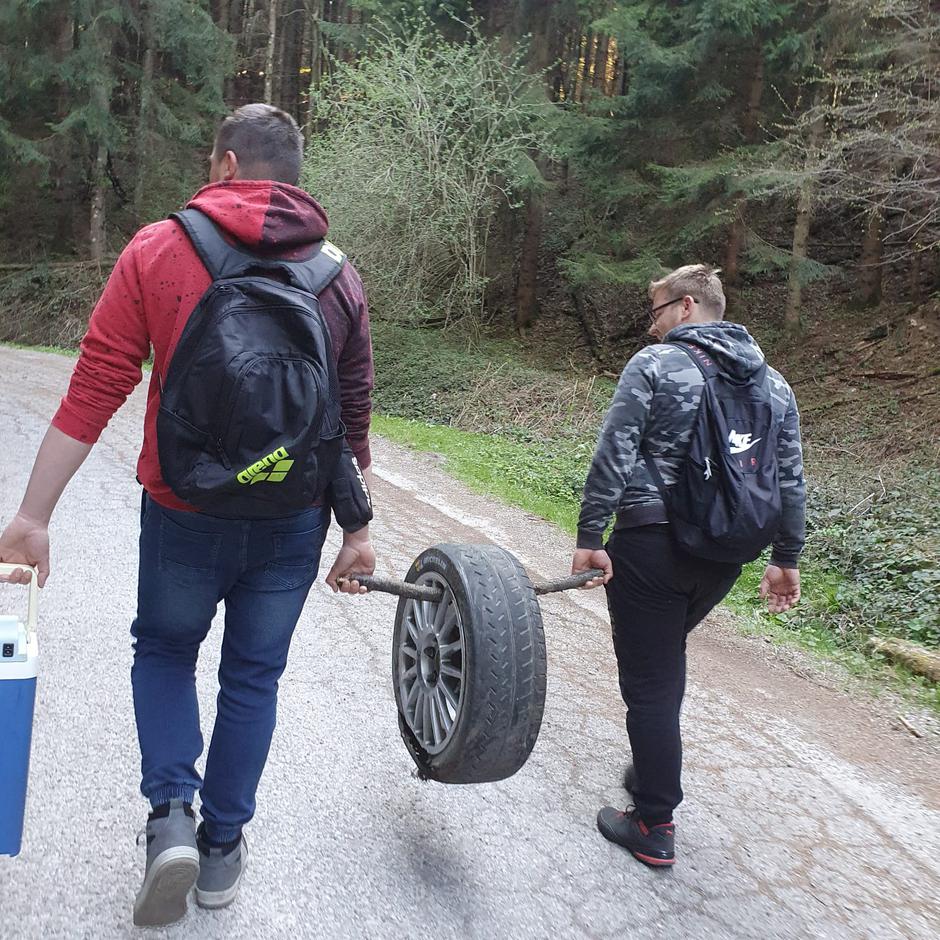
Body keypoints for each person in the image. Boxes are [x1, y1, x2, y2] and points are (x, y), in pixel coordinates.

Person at [0, 104, 376, 925]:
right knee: (253, 675)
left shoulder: (159, 247)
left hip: (183, 508)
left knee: (166, 650)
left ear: (227, 165)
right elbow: (350, 414)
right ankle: (222, 849)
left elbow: (98, 383)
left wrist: (33, 514)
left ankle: (171, 813)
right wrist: (358, 530)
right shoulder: (338, 275)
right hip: (291, 519)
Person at [571, 264, 804, 869]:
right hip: (727, 555)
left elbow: (615, 451)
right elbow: (789, 478)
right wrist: (785, 557)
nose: (651, 326)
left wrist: (591, 535)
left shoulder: (657, 365)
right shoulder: (775, 385)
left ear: (685, 307)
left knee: (651, 683)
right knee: (663, 659)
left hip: (652, 545)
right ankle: (653, 765)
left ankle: (653, 823)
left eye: (655, 312)